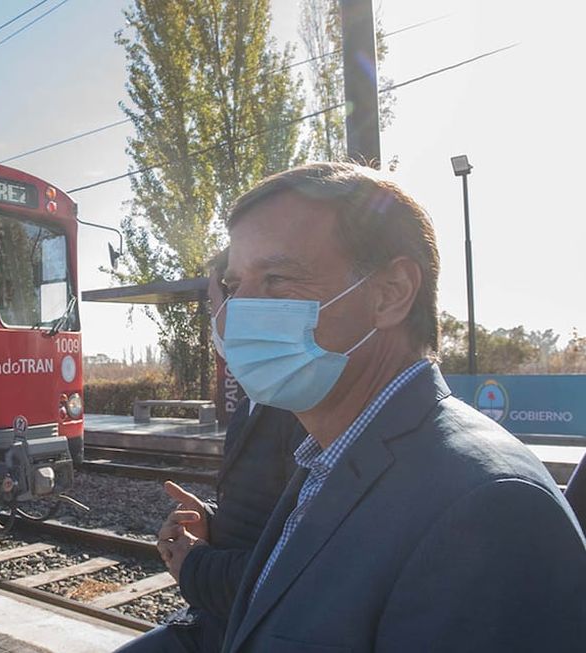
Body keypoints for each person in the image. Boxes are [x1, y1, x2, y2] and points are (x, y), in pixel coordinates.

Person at [215, 162, 586, 652]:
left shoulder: (490, 509)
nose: (236, 312)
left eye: (278, 279)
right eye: (234, 285)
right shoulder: (325, 458)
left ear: (390, 295)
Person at [115, 249, 306, 653]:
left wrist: (192, 565)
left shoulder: (303, 411)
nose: (220, 314)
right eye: (233, 291)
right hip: (228, 623)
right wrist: (212, 526)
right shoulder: (258, 401)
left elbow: (301, 573)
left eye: (222, 295)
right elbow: (268, 524)